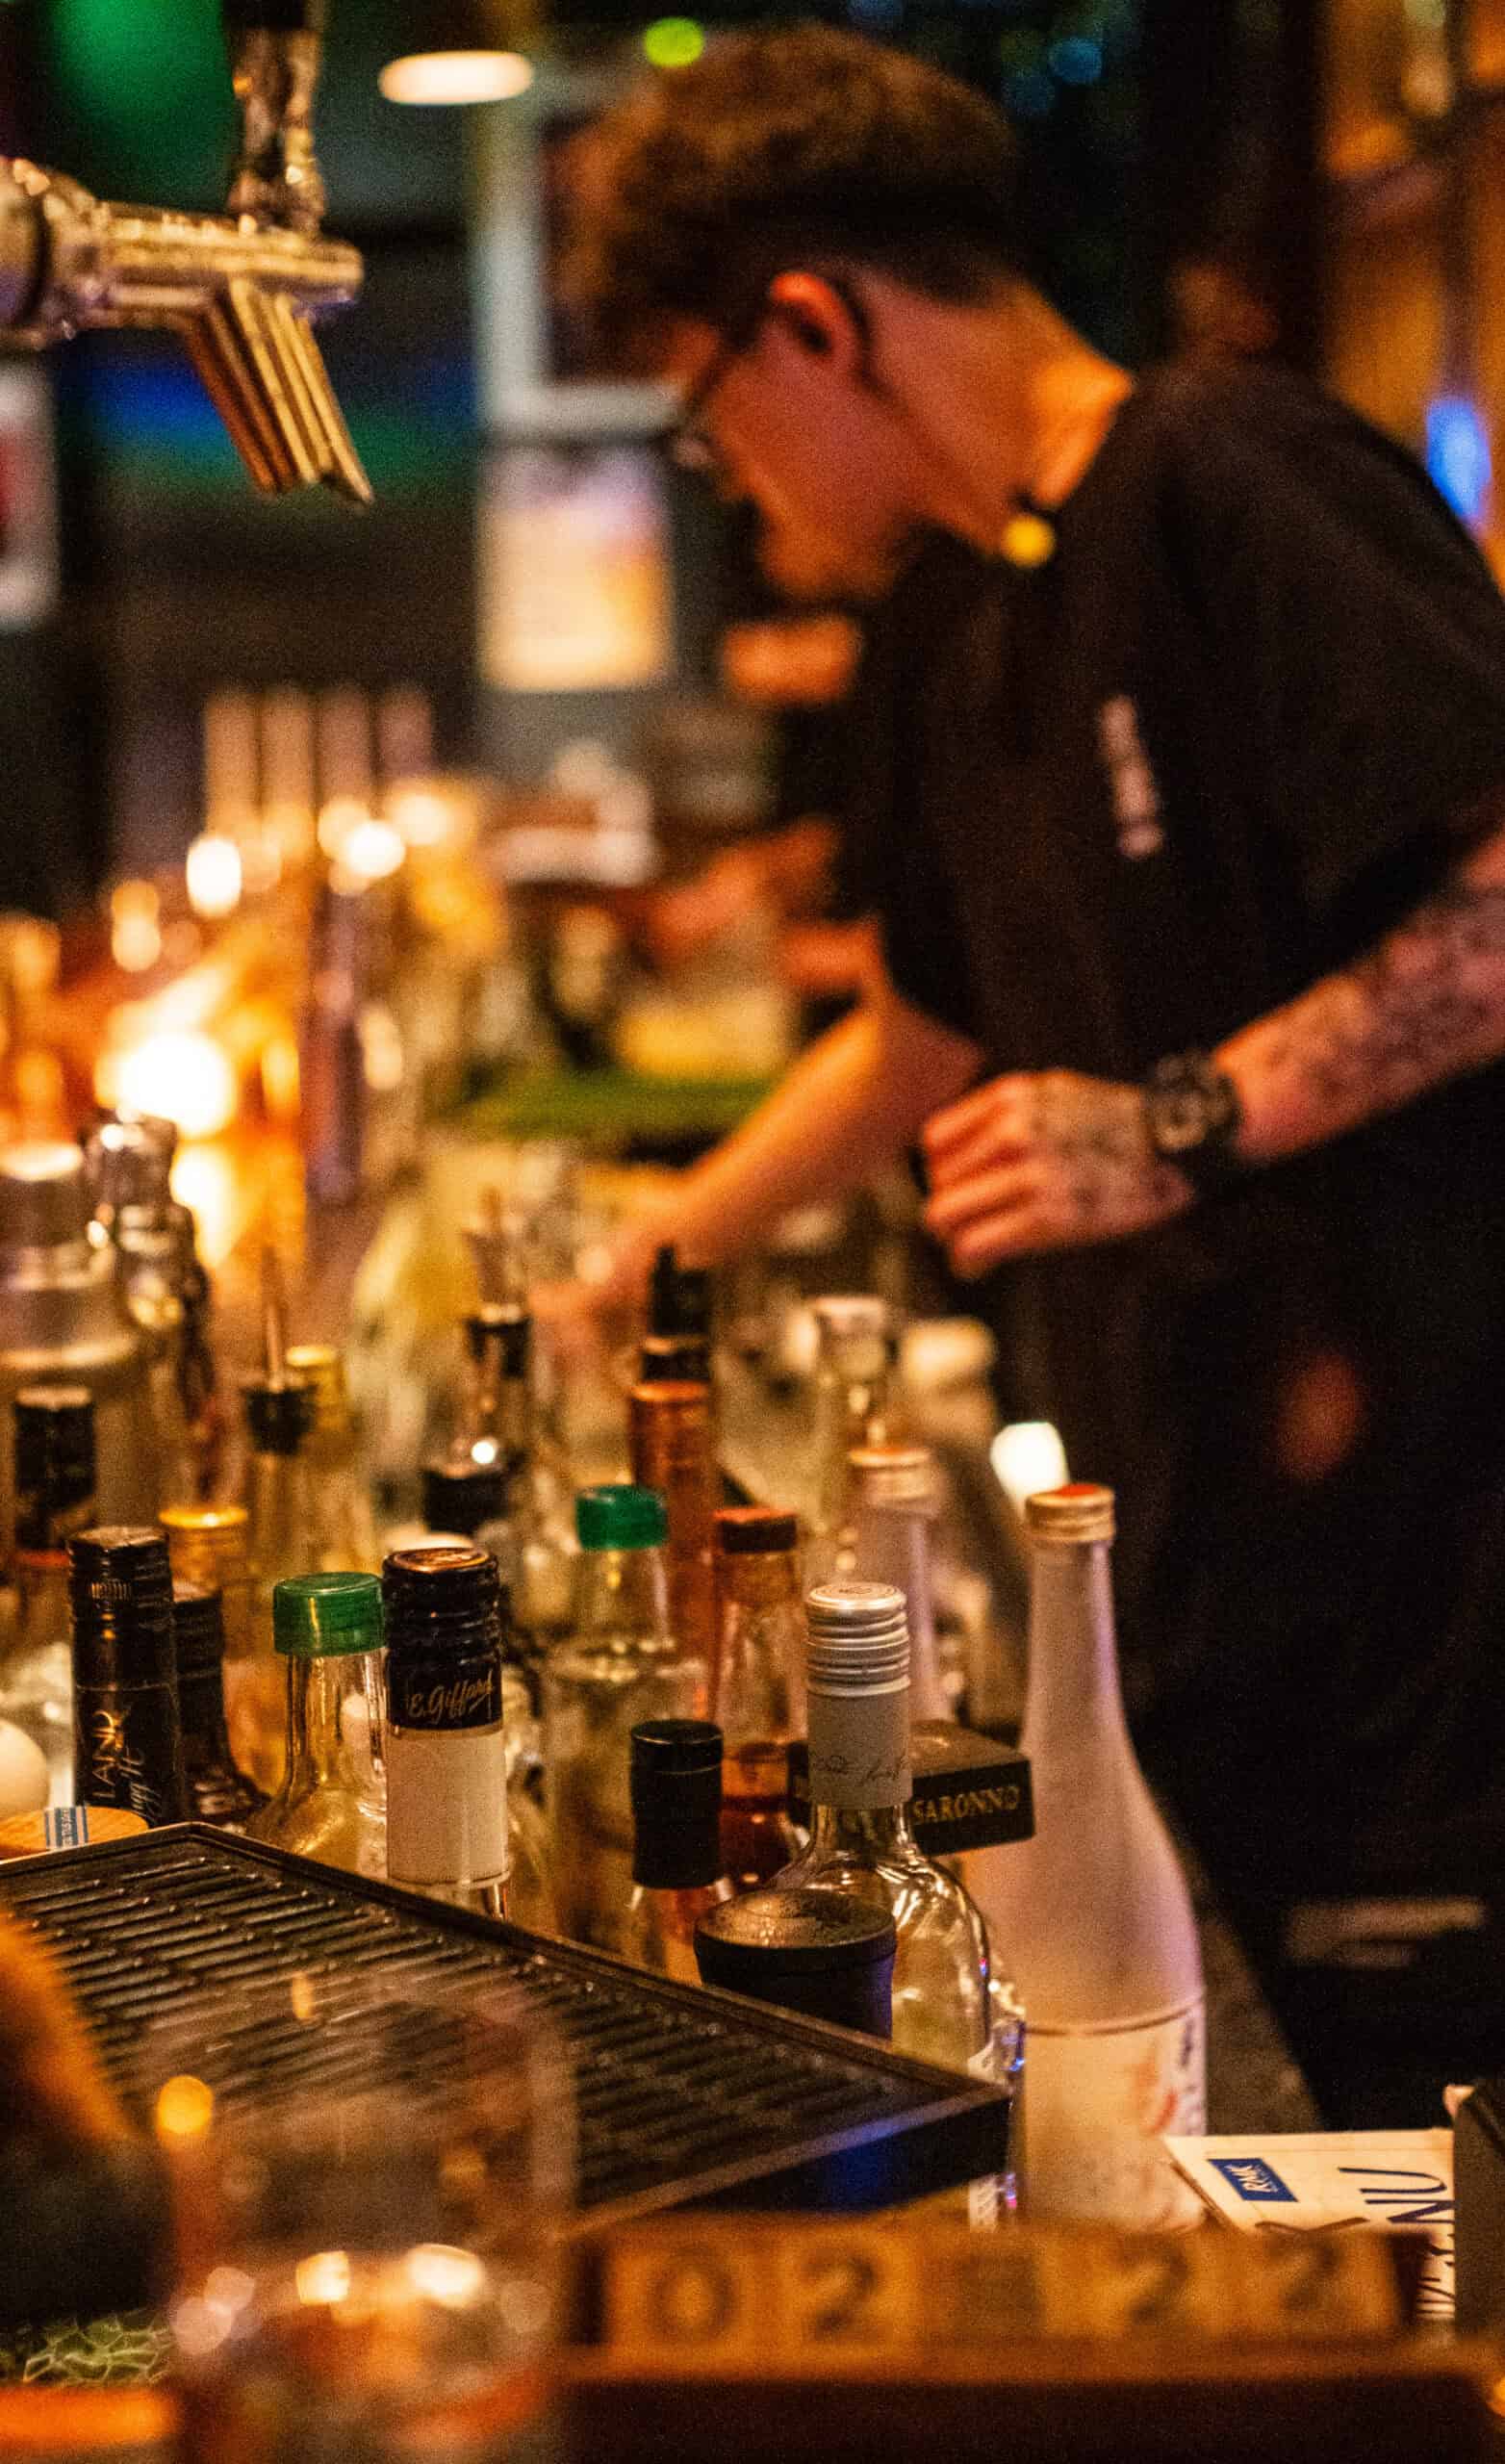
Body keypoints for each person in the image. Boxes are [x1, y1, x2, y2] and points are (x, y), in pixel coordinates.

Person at [557, 25, 1505, 2116]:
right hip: (1187, 1561)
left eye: (717, 424)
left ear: (813, 323)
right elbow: (926, 1022)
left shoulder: (1231, 478)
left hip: (1420, 1608)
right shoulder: (951, 620)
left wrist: (1171, 1123)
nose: (734, 485)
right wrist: (641, 1256)